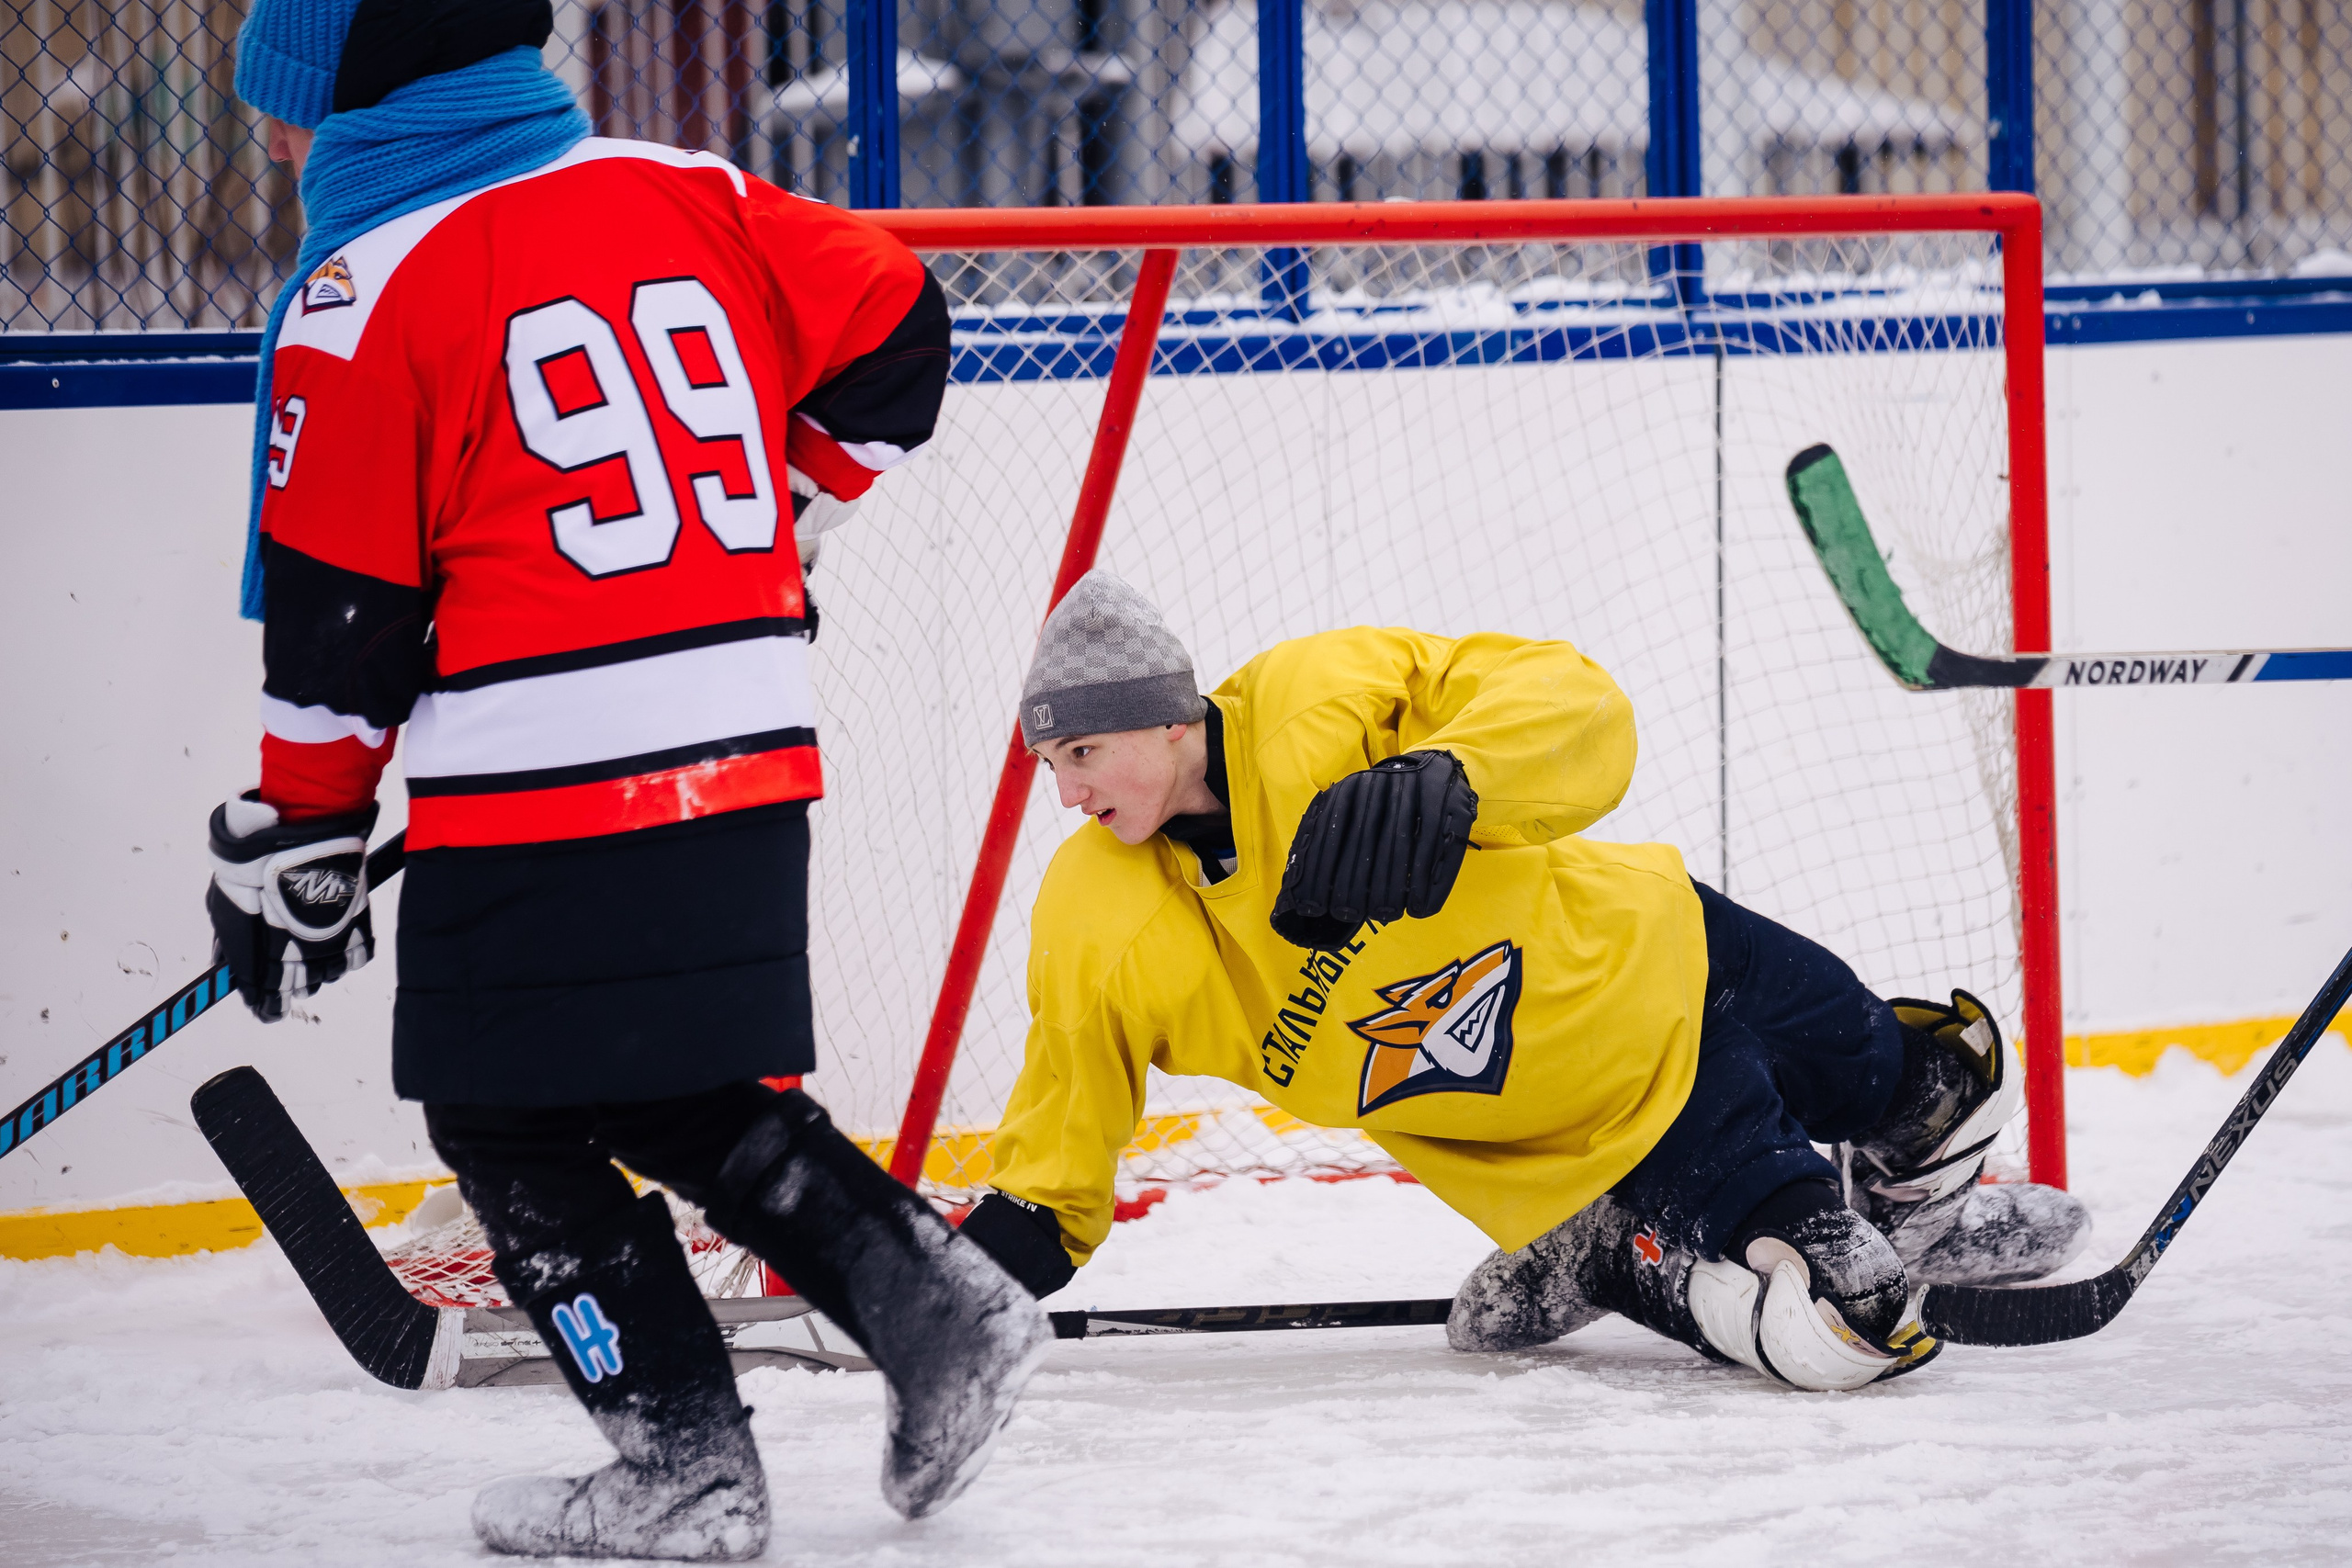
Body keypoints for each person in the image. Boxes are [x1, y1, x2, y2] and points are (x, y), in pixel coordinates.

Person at [199, 0, 1049, 1556]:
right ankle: (938, 1308)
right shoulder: (689, 186)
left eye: (282, 102)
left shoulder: (360, 287)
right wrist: (787, 522)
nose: (267, 134)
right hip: (745, 735)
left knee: (509, 1122)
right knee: (683, 1090)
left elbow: (343, 622)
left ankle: (684, 1462)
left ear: (356, 98)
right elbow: (900, 326)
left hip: (542, 766)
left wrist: (300, 832)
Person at [956, 570, 2089, 1393]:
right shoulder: (1099, 923)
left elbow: (1575, 699)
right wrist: (960, 1279)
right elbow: (1063, 1121)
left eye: (1082, 754)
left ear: (1164, 714)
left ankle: (1912, 1208)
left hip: (1675, 941)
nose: (1067, 795)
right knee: (1842, 1322)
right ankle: (1608, 1248)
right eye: (1051, 765)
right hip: (1612, 1119)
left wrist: (1457, 771)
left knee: (1931, 1079)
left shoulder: (1322, 699)